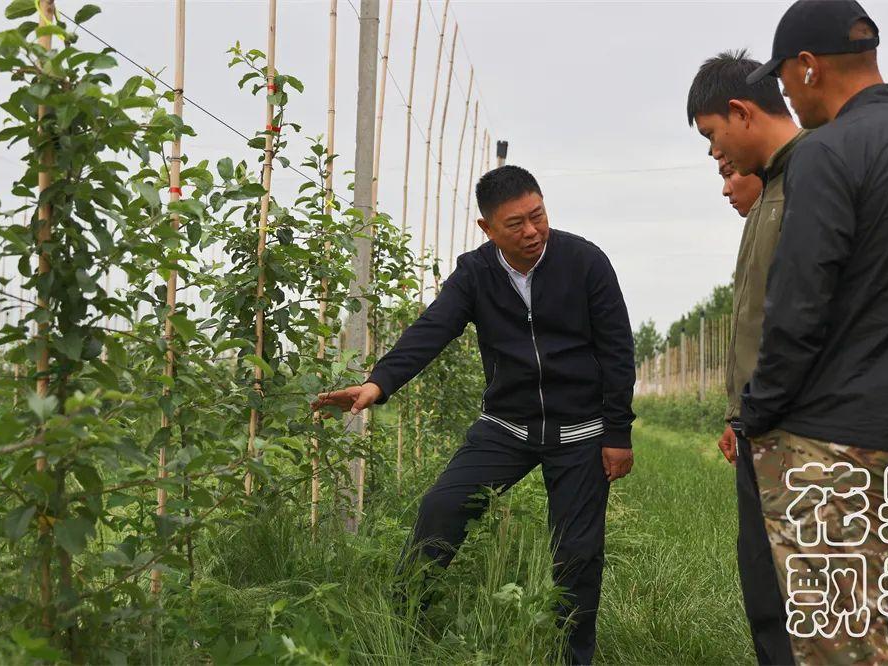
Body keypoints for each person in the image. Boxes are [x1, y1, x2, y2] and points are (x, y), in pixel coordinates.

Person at [313, 165, 636, 665]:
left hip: (581, 433)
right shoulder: (476, 272)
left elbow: (618, 349)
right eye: (516, 224)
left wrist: (618, 432)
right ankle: (401, 625)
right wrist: (379, 382)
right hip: (506, 425)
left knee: (578, 553)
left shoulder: (585, 262)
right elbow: (433, 327)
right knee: (441, 508)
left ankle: (573, 656)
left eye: (538, 216)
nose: (532, 232)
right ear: (488, 228)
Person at [741, 1, 888, 664]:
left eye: (786, 79)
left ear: (810, 66)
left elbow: (797, 310)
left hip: (830, 447)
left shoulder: (827, 153)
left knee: (839, 643)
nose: (785, 94)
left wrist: (757, 412)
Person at [687, 49, 801, 666]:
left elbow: (800, 323)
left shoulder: (812, 181)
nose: (717, 161)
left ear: (739, 111)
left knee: (803, 591)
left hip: (799, 429)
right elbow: (756, 327)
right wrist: (740, 414)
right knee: (763, 582)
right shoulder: (767, 207)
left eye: (712, 138)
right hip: (763, 423)